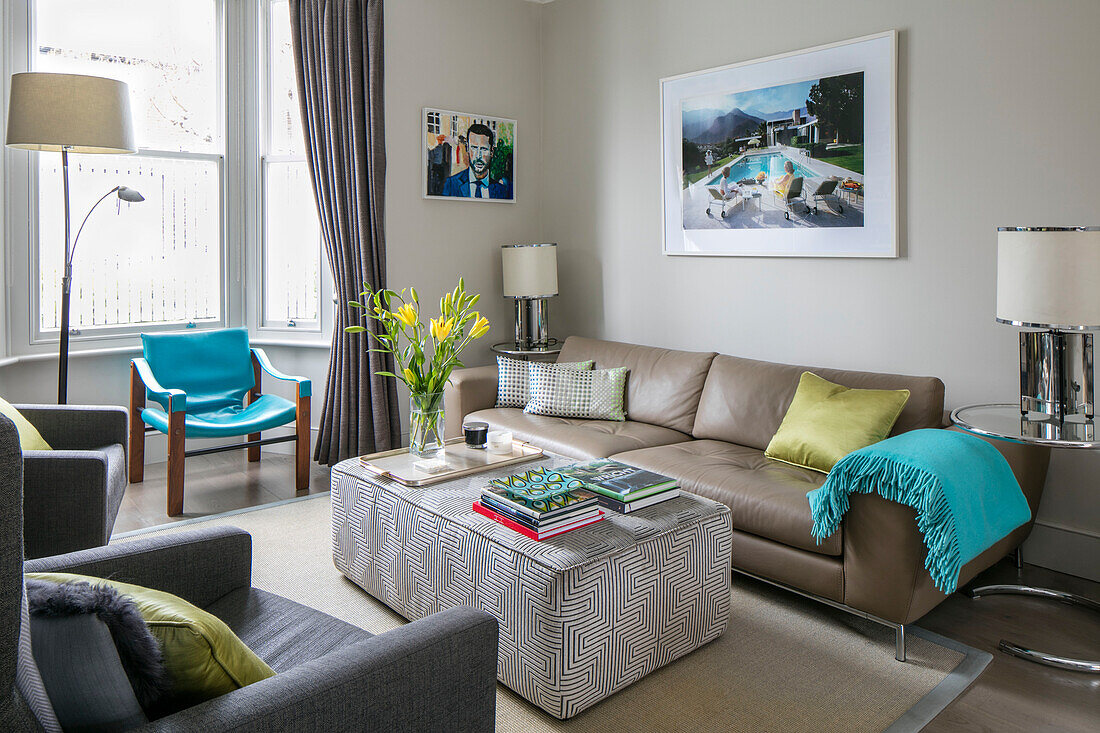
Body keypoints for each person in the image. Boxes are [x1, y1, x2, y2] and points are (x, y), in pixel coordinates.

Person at [441, 123, 511, 199]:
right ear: (467, 148)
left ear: (492, 152)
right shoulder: (452, 184)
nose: (478, 156)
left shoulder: (501, 191)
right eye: (474, 148)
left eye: (483, 149)